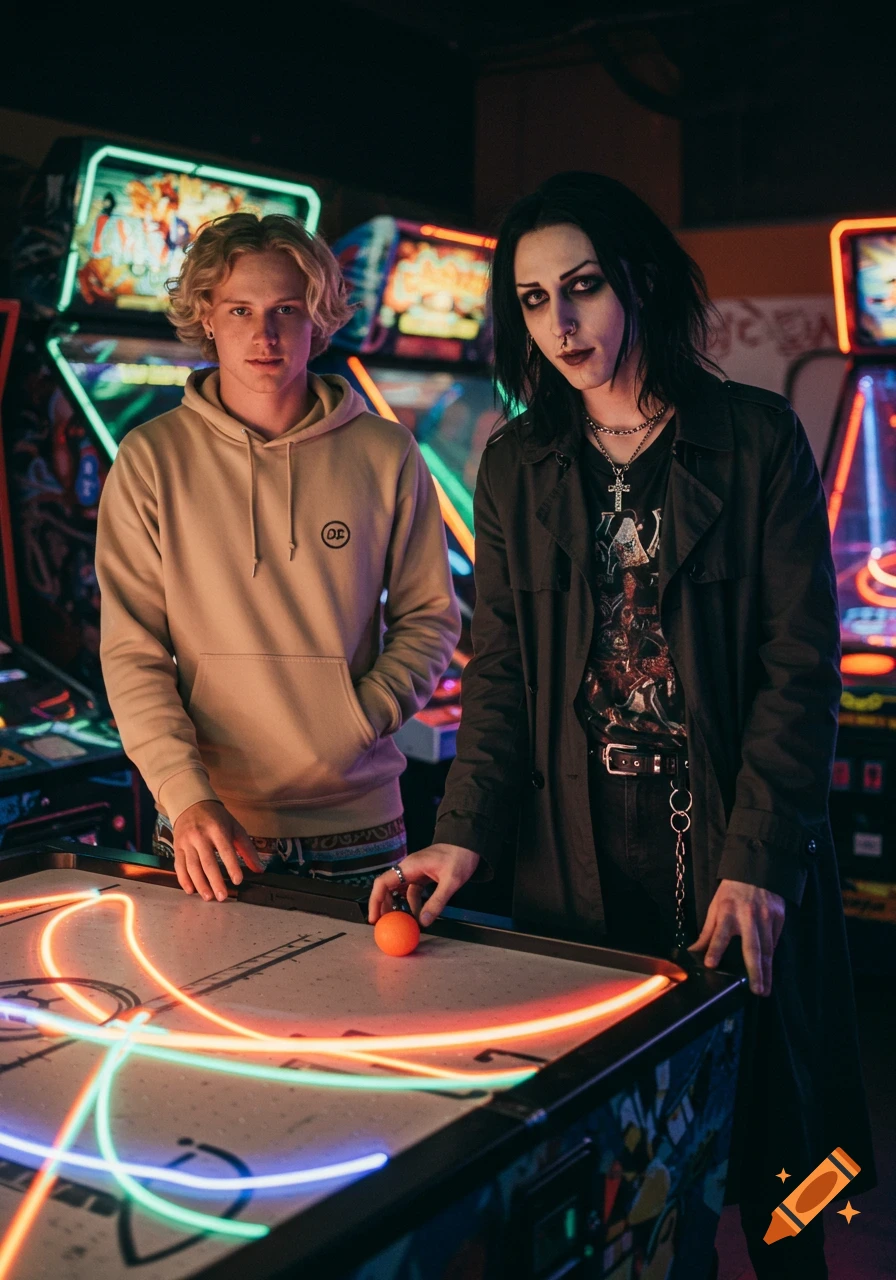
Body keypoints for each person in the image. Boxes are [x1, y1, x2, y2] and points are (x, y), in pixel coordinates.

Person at [368, 173, 876, 1278]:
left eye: (583, 288)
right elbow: (498, 677)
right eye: (535, 297)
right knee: (629, 1177)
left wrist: (757, 862)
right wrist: (458, 832)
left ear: (635, 282)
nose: (560, 323)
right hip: (580, 855)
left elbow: (801, 670)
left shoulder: (751, 435)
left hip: (734, 840)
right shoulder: (511, 465)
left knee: (787, 1165)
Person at [96, 212, 460, 900]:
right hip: (210, 821)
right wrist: (182, 790)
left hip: (361, 821)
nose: (264, 334)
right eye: (241, 309)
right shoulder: (150, 459)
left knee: (370, 1008)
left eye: (286, 310)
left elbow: (431, 619)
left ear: (316, 316)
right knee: (204, 1010)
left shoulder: (386, 454)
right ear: (207, 316)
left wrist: (361, 716)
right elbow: (131, 650)